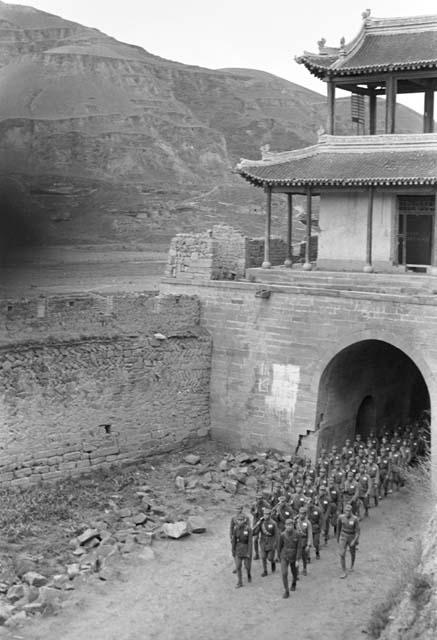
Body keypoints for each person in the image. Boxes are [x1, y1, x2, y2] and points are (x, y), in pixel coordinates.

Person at [278, 518, 301, 598]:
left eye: (290, 525)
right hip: (284, 556)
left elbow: (299, 548)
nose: (289, 527)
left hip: (294, 556)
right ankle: (286, 590)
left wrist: (297, 559)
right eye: (287, 525)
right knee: (284, 573)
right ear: (285, 526)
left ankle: (294, 583)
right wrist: (279, 557)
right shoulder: (282, 535)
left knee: (294, 572)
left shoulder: (297, 534)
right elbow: (279, 547)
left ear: (293, 525)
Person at [253, 507, 279, 576]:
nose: (265, 516)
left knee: (270, 558)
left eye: (267, 514)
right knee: (263, 557)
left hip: (271, 542)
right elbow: (255, 532)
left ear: (270, 515)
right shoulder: (261, 522)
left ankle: (272, 562)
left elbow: (277, 534)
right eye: (264, 514)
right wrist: (257, 524)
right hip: (263, 542)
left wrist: (276, 543)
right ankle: (265, 571)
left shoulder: (273, 523)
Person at [337, 502, 360, 579]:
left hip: (352, 536)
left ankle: (352, 565)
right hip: (343, 536)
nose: (347, 512)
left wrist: (354, 541)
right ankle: (344, 571)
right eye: (346, 511)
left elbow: (357, 532)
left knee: (352, 552)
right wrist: (338, 538)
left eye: (349, 511)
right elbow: (338, 528)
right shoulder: (341, 517)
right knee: (342, 553)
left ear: (351, 511)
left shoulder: (355, 519)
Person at [231, 512, 253, 588]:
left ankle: (249, 574)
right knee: (238, 566)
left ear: (244, 520)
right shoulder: (235, 529)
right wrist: (233, 551)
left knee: (247, 566)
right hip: (238, 550)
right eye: (238, 520)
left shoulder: (249, 529)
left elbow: (250, 542)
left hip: (246, 549)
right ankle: (240, 582)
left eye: (241, 520)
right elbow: (233, 541)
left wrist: (249, 552)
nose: (240, 521)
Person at [229, 506, 250, 573]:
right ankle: (237, 566)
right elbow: (231, 527)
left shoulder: (246, 517)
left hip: (243, 536)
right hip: (236, 536)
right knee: (235, 551)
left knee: (245, 550)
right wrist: (231, 536)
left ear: (241, 509)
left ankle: (245, 563)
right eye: (237, 508)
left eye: (239, 509)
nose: (237, 510)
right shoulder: (233, 518)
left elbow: (248, 527)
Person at [294, 506, 313, 576]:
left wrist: (308, 544)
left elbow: (310, 534)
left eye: (303, 514)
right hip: (296, 541)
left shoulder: (308, 523)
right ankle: (296, 571)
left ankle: (304, 569)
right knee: (296, 557)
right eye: (300, 513)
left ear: (305, 514)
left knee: (304, 557)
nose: (301, 515)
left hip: (303, 542)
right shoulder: (296, 521)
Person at [250, 493, 269, 559]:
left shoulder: (266, 504)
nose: (259, 500)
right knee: (255, 539)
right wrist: (254, 513)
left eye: (260, 498)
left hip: (264, 522)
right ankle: (257, 553)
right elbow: (251, 511)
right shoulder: (254, 504)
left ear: (262, 498)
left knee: (265, 538)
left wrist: (265, 516)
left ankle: (265, 552)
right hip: (256, 522)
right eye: (258, 498)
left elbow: (270, 512)